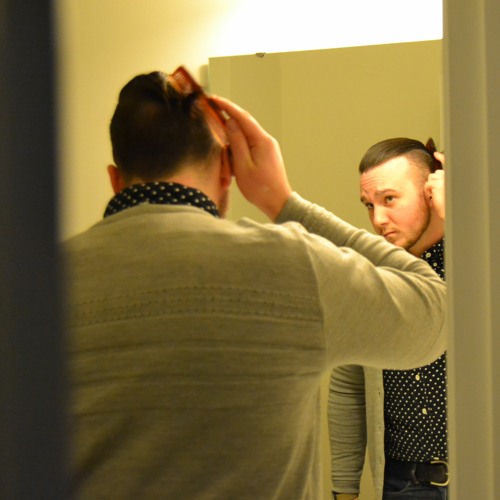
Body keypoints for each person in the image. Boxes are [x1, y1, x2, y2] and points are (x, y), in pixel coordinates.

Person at [63, 70, 447, 500]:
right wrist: (284, 202)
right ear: (225, 173)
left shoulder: (36, 285)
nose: (378, 218)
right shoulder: (293, 265)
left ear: (115, 179)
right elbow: (433, 314)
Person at [328, 138, 447, 500]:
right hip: (403, 484)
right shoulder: (367, 277)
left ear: (431, 192)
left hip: (484, 473)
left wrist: (464, 218)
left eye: (389, 199)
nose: (378, 220)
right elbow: (348, 387)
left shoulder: (481, 256)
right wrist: (344, 491)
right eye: (369, 205)